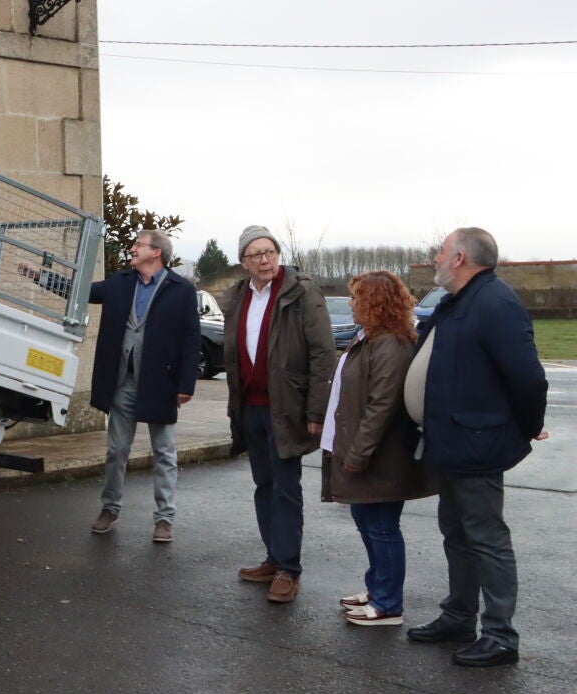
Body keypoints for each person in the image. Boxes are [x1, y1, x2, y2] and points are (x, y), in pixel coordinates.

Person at [404, 227, 549, 667]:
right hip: (449, 441)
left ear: (460, 258)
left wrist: (527, 427)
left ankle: (501, 636)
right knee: (457, 533)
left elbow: (529, 379)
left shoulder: (495, 303)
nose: (436, 258)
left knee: (486, 538)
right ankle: (459, 616)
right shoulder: (457, 302)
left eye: (441, 251)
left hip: (477, 442)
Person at [222, 226, 336, 603]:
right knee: (264, 485)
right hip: (250, 407)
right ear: (244, 262)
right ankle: (273, 557)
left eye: (270, 251)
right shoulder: (238, 295)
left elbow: (323, 353)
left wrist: (317, 410)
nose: (265, 259)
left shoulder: (301, 292)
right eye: (256, 254)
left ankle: (288, 568)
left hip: (286, 407)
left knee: (286, 488)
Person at [320, 271, 434, 626]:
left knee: (382, 526)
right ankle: (377, 588)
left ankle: (388, 604)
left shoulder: (391, 345)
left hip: (382, 456)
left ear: (375, 303)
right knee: (366, 520)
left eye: (357, 297)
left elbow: (381, 406)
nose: (351, 303)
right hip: (365, 451)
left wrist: (358, 454)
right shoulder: (370, 338)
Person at [78, 229, 200, 542]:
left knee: (164, 452)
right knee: (116, 451)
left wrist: (186, 384)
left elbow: (191, 340)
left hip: (161, 382)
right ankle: (110, 508)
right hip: (122, 381)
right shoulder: (120, 283)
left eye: (138, 244)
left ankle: (164, 519)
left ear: (156, 252)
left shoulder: (181, 290)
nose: (132, 249)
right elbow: (82, 291)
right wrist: (40, 276)